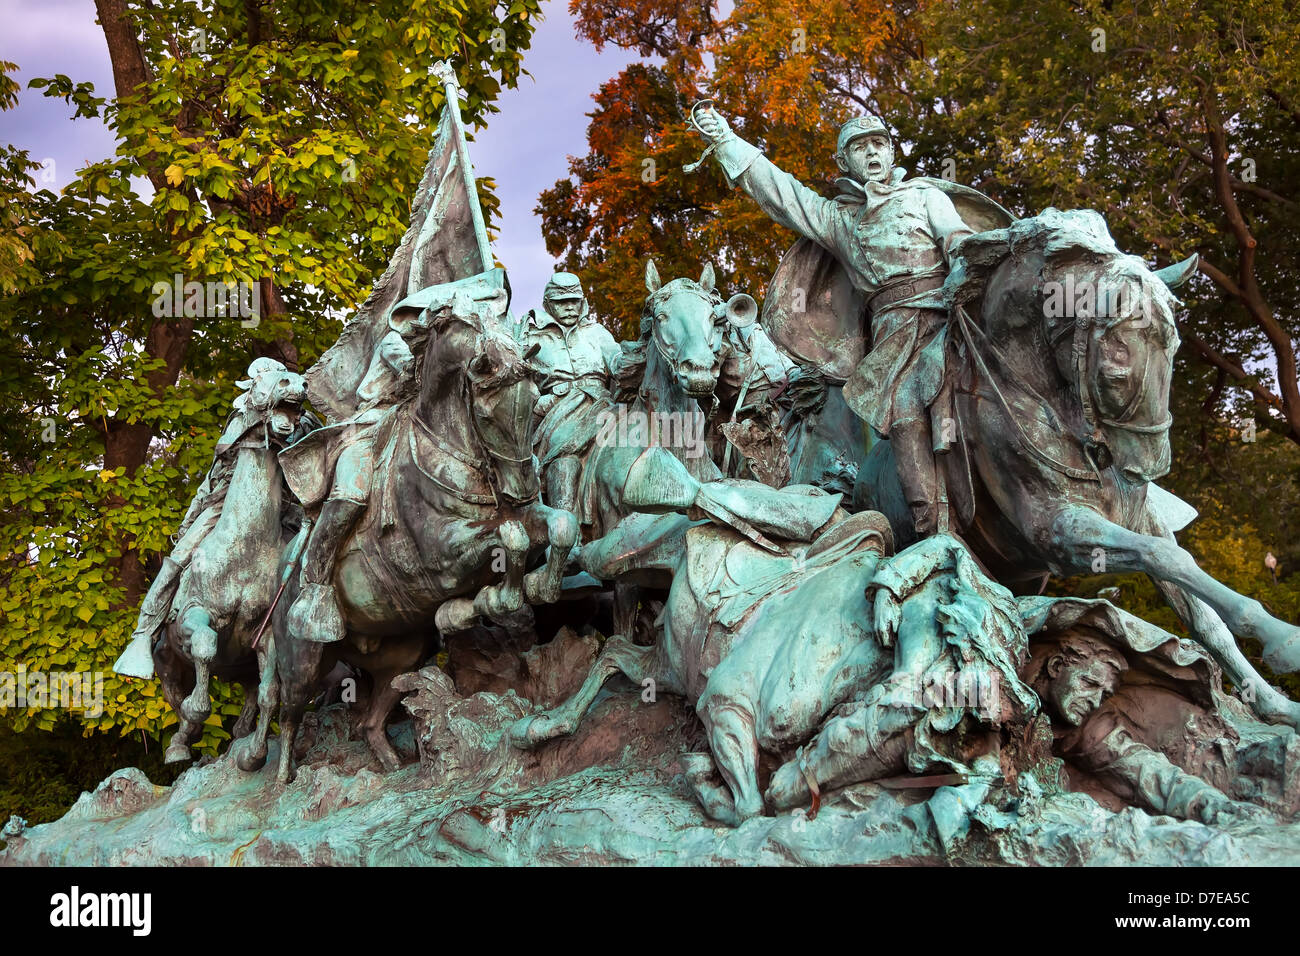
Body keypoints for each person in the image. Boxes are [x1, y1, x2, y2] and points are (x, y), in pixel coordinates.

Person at [691, 109, 975, 535]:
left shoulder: (925, 195)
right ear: (845, 163)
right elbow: (781, 193)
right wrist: (727, 139)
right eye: (861, 148)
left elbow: (958, 239)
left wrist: (962, 268)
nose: (873, 153)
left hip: (952, 314)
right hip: (896, 337)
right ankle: (932, 527)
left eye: (879, 144)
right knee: (905, 418)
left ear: (892, 151)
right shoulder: (840, 219)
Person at [114, 358, 309, 678]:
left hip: (280, 514)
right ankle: (144, 635)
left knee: (308, 558)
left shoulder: (295, 429)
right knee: (177, 558)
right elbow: (212, 479)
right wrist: (190, 520)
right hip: (222, 507)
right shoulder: (242, 421)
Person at [522, 272, 621, 515]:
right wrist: (538, 400)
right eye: (561, 302)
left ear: (583, 302)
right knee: (562, 456)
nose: (569, 307)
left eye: (573, 301)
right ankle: (562, 521)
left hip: (603, 405)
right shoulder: (530, 335)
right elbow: (516, 381)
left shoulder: (597, 332)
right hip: (557, 409)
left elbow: (619, 363)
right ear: (547, 304)